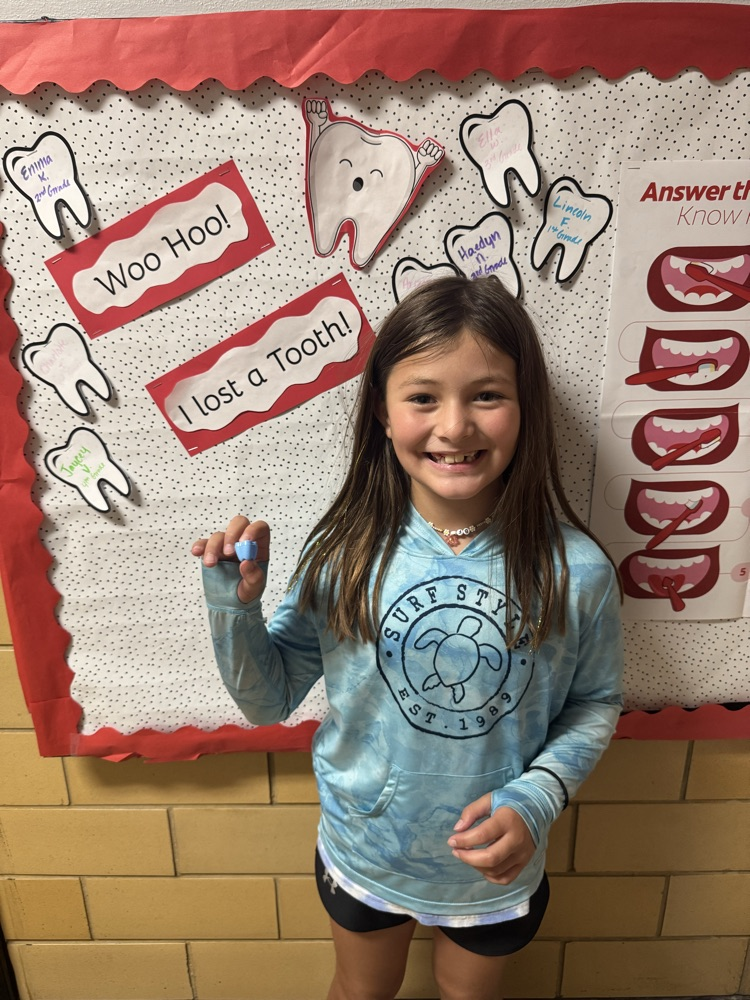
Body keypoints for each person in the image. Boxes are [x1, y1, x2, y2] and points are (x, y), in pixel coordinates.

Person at [193, 275, 624, 1000]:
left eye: (486, 395)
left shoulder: (576, 571)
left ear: (527, 412)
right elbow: (267, 702)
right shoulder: (344, 552)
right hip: (366, 847)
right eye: (424, 397)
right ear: (384, 416)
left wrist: (539, 795)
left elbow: (594, 702)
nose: (454, 427)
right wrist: (234, 608)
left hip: (495, 862)